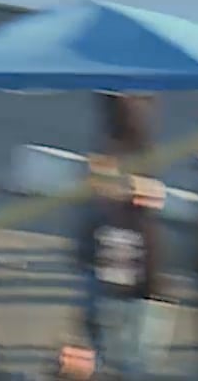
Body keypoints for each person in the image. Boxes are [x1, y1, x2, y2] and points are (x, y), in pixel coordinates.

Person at [76, 158, 163, 379]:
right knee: (133, 353)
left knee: (102, 342)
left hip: (103, 288)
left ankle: (101, 369)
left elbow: (86, 249)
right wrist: (152, 290)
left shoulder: (101, 215)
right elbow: (151, 262)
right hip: (132, 295)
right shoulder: (146, 225)